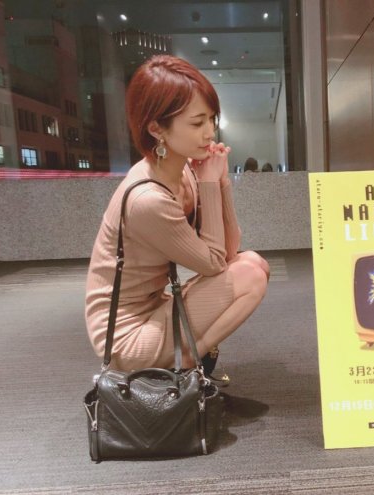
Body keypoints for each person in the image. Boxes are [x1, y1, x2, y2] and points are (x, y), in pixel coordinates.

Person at [85, 55, 269, 373]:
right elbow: (214, 263)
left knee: (253, 263)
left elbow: (228, 251)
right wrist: (209, 182)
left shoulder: (183, 172)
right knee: (249, 276)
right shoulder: (148, 199)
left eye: (212, 120)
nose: (210, 133)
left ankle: (187, 357)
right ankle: (190, 361)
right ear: (156, 128)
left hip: (156, 308)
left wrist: (220, 181)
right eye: (197, 123)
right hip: (126, 338)